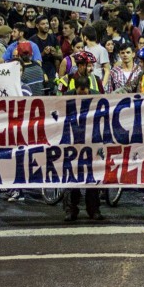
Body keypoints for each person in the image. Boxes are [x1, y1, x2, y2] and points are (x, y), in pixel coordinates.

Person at [61, 73, 105, 222]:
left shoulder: (97, 96)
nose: (82, 96)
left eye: (84, 93)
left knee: (91, 178)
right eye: (79, 93)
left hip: (91, 141)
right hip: (72, 141)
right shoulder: (65, 96)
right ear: (75, 89)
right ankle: (71, 210)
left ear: (88, 89)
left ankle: (94, 210)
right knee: (72, 179)